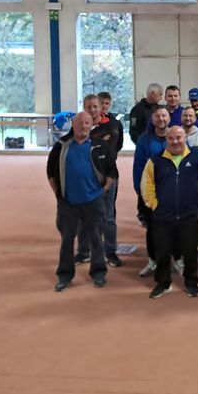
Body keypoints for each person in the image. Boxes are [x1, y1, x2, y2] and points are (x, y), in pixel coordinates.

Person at [48, 112, 114, 292]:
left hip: (94, 201)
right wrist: (58, 194)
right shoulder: (61, 146)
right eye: (79, 123)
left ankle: (98, 273)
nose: (83, 126)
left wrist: (103, 191)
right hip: (68, 202)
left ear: (91, 125)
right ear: (73, 125)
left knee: (96, 239)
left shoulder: (100, 146)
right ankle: (64, 275)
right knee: (67, 240)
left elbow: (111, 171)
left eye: (86, 123)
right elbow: (50, 172)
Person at [141, 126, 198, 298]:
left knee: (190, 252)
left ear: (185, 138)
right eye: (171, 138)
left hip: (188, 215)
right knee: (162, 252)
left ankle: (191, 282)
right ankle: (163, 283)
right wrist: (154, 204)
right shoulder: (155, 161)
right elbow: (146, 184)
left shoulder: (197, 155)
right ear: (166, 140)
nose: (175, 141)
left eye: (178, 137)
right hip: (163, 216)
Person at [75, 92, 124, 267]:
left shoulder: (114, 125)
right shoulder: (79, 126)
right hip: (85, 179)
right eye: (89, 107)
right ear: (84, 108)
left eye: (95, 106)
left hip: (108, 176)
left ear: (101, 106)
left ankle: (110, 252)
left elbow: (116, 147)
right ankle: (83, 252)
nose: (93, 110)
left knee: (108, 216)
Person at [132, 105, 170, 278]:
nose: (161, 119)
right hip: (151, 192)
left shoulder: (175, 136)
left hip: (172, 191)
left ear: (169, 118)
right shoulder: (144, 139)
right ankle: (153, 260)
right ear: (152, 119)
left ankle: (176, 259)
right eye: (158, 116)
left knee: (174, 227)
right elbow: (138, 166)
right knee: (153, 228)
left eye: (164, 116)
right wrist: (139, 190)